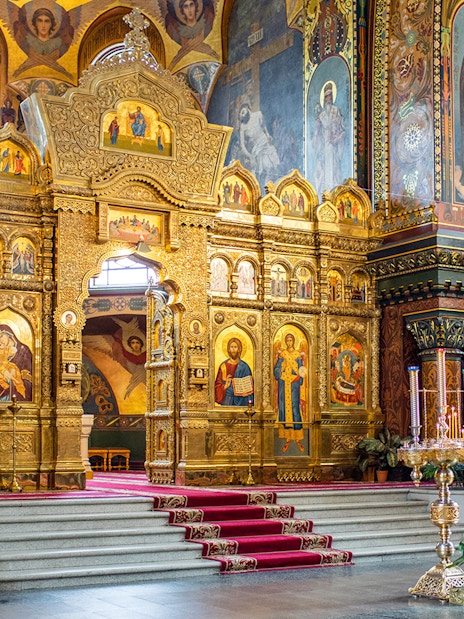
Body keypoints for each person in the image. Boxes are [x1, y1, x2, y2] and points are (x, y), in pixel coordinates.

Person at [312, 81, 346, 198]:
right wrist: (317, 128)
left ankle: (334, 195)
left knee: (334, 173)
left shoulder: (336, 111)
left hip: (333, 148)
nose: (328, 99)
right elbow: (316, 138)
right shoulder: (321, 116)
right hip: (324, 149)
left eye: (330, 96)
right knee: (322, 174)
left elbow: (343, 131)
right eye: (326, 96)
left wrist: (338, 138)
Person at [274, 333, 306, 453]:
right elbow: (276, 369)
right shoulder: (282, 354)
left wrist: (299, 377)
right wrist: (280, 372)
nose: (289, 342)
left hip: (294, 384)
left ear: (294, 341)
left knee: (294, 407)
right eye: (287, 340)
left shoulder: (298, 355)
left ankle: (297, 437)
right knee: (283, 407)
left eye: (291, 340)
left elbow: (301, 371)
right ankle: (287, 436)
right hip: (284, 384)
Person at [239, 102, 280, 188]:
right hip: (257, 149)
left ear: (247, 107)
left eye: (242, 112)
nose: (242, 115)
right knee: (265, 167)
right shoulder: (243, 126)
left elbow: (263, 126)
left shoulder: (258, 114)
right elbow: (242, 145)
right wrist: (250, 157)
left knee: (274, 165)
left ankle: (275, 187)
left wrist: (268, 135)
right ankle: (267, 189)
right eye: (241, 115)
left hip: (265, 143)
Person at [215, 337, 254, 406]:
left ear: (239, 349)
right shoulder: (223, 366)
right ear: (228, 349)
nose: (233, 349)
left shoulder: (244, 367)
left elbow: (250, 387)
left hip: (241, 400)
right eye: (231, 347)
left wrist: (247, 392)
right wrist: (225, 386)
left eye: (235, 347)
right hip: (227, 400)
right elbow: (217, 386)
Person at [0, 325, 33, 401]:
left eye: (1, 336)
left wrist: (12, 377)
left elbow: (30, 374)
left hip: (16, 389)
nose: (0, 340)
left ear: (9, 334)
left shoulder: (23, 350)